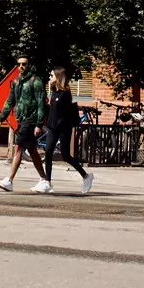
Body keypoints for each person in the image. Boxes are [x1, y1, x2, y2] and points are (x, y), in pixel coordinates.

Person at [0, 54, 50, 193]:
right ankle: (44, 180)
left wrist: (38, 124)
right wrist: (1, 119)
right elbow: (9, 101)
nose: (21, 66)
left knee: (18, 146)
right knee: (32, 150)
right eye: (19, 64)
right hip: (21, 120)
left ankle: (9, 180)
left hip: (30, 120)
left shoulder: (35, 82)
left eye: (24, 64)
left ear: (29, 65)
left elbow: (40, 104)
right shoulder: (16, 82)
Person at [42, 67, 93, 195]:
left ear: (58, 77)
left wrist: (57, 125)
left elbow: (65, 114)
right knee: (48, 151)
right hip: (53, 128)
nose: (50, 77)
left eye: (52, 75)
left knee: (65, 155)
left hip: (64, 128)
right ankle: (47, 181)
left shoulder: (65, 94)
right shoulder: (54, 92)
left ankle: (86, 176)